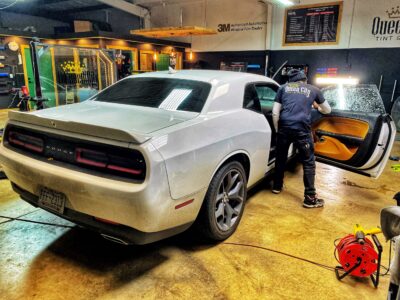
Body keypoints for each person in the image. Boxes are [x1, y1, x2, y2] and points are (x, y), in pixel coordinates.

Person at [272, 69, 331, 208]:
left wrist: (277, 130)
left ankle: (277, 186)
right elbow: (327, 110)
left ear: (290, 81)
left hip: (284, 128)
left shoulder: (283, 88)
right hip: (302, 130)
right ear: (305, 80)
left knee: (280, 158)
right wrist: (316, 107)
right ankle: (310, 198)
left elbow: (275, 113)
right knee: (308, 162)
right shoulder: (314, 89)